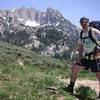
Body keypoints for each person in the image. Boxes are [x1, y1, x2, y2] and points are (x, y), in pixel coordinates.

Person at [66, 17, 100, 98]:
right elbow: (80, 46)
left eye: (85, 22)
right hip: (87, 57)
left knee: (99, 75)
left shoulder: (95, 31)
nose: (83, 24)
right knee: (75, 68)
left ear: (88, 22)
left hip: (96, 58)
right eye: (81, 22)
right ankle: (70, 88)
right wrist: (79, 57)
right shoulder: (81, 33)